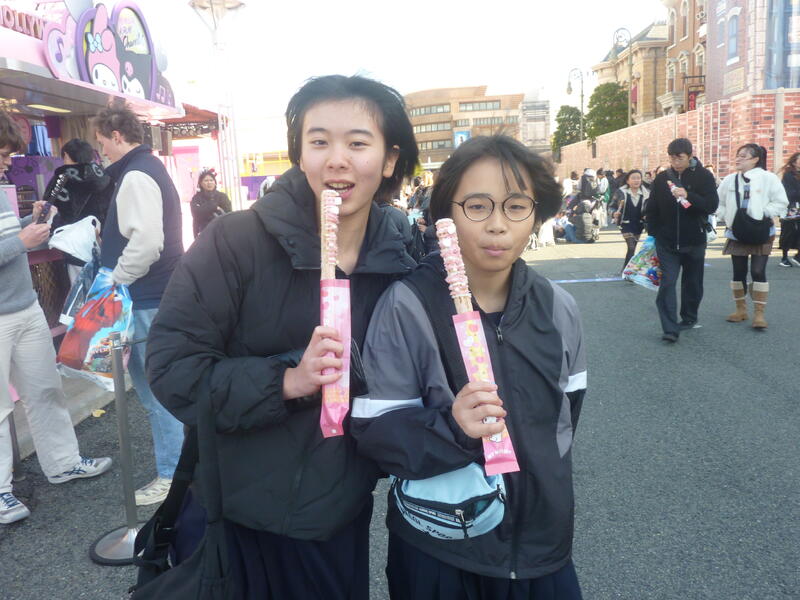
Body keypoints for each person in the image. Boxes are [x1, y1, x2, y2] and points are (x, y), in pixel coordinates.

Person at [145, 75, 418, 599]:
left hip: (338, 515)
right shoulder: (235, 241)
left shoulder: (403, 254)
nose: (336, 160)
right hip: (237, 516)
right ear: (299, 154)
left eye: (358, 143)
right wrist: (289, 380)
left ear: (389, 160)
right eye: (319, 142)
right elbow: (173, 369)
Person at [351, 135, 586, 599]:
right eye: (477, 206)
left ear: (536, 215)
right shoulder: (408, 305)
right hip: (440, 544)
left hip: (542, 543)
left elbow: (564, 422)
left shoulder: (558, 308)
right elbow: (376, 434)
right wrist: (453, 427)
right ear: (447, 217)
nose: (497, 225)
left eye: (516, 206)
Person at [0, 111, 111, 524]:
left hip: (26, 306)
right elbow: (10, 245)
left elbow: (8, 240)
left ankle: (63, 462)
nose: (8, 162)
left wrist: (29, 223)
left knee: (46, 389)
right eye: (3, 154)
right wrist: (21, 241)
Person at [93, 101, 185, 505]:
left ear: (117, 136)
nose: (101, 152)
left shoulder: (135, 175)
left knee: (155, 392)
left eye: (102, 142)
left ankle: (172, 474)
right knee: (165, 387)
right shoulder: (149, 167)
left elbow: (147, 243)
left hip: (145, 298)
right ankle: (182, 469)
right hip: (159, 294)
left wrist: (115, 278)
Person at [644, 138, 719, 343]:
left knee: (692, 282)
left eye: (680, 158)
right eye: (672, 158)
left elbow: (711, 205)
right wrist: (653, 233)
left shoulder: (704, 176)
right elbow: (652, 208)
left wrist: (689, 195)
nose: (676, 162)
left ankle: (689, 317)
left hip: (695, 240)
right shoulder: (662, 178)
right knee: (667, 282)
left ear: (690, 156)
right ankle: (670, 328)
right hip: (666, 241)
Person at [716, 144, 788, 329]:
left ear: (755, 159)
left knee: (758, 271)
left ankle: (759, 314)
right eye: (737, 155)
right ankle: (740, 310)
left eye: (743, 156)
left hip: (761, 230)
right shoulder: (730, 179)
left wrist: (763, 213)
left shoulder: (768, 178)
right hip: (737, 231)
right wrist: (726, 216)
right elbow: (719, 202)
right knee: (738, 271)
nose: (738, 159)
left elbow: (781, 202)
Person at [43, 138, 111, 283]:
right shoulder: (105, 176)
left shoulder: (61, 179)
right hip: (105, 243)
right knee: (105, 288)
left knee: (81, 290)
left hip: (75, 247)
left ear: (66, 155)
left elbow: (47, 209)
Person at [613, 169, 650, 271]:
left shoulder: (646, 194)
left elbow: (650, 209)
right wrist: (614, 213)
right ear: (628, 180)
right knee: (631, 246)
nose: (636, 180)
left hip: (639, 224)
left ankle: (626, 269)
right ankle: (628, 270)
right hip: (625, 224)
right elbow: (611, 206)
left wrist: (647, 215)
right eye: (633, 178)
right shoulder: (621, 192)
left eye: (638, 178)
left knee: (632, 248)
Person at [190, 169, 232, 238]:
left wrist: (204, 209)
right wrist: (214, 207)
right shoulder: (196, 198)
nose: (209, 183)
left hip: (221, 232)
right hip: (203, 233)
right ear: (200, 183)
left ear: (215, 182)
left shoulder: (222, 196)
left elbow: (228, 214)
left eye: (211, 180)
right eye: (206, 180)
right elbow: (196, 214)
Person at [778, 152, 800, 267]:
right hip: (790, 208)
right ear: (794, 162)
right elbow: (788, 192)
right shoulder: (788, 175)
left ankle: (798, 256)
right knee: (787, 231)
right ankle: (784, 257)